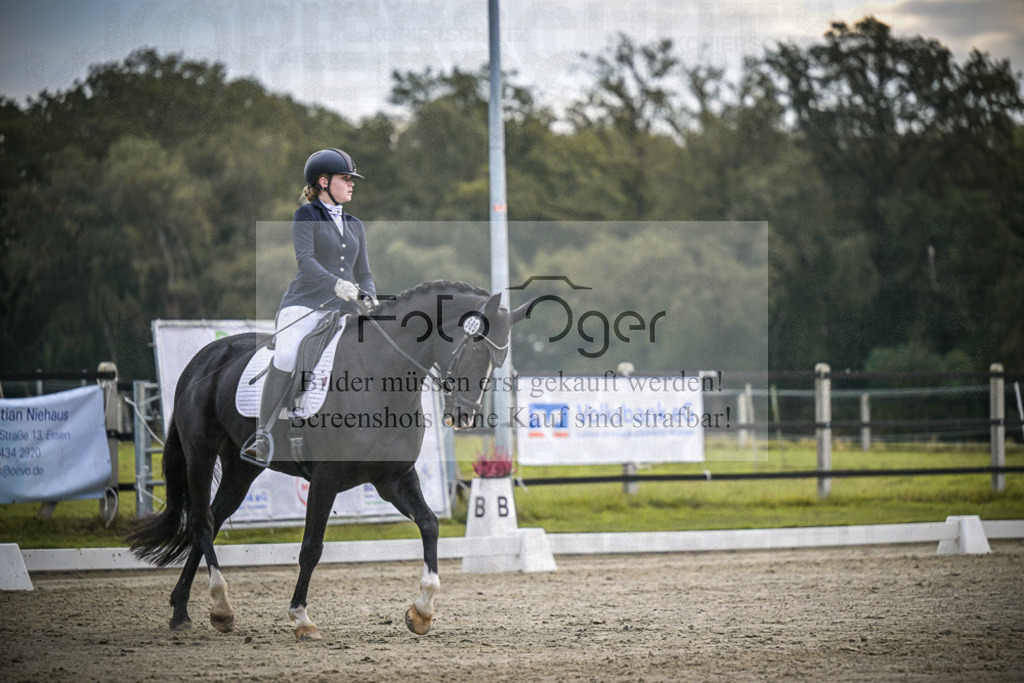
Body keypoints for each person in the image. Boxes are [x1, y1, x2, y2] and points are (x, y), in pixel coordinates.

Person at [241, 148, 377, 467]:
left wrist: (369, 294)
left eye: (351, 180)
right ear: (323, 182)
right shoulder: (307, 215)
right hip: (303, 305)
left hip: (342, 311)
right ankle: (262, 435)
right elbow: (306, 261)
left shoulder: (355, 224)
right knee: (288, 356)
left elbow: (365, 272)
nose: (351, 184)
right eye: (346, 179)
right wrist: (337, 285)